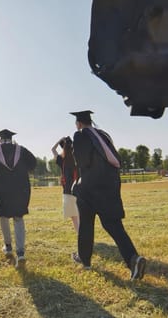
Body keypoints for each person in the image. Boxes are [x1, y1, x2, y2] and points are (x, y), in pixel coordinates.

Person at [70, 110, 146, 280]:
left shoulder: (80, 135)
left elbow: (82, 161)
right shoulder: (104, 136)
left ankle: (85, 260)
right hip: (110, 186)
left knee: (86, 225)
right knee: (114, 225)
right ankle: (133, 259)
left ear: (79, 123)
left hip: (89, 188)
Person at [0, 129, 36, 268]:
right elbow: (33, 164)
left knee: (3, 215)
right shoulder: (21, 150)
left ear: (0, 140)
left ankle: (8, 247)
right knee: (18, 217)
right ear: (11, 139)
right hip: (20, 188)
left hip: (2, 188)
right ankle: (21, 253)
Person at [51, 136, 79, 232]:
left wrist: (60, 140)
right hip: (80, 189)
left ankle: (80, 233)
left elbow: (53, 149)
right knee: (80, 213)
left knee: (74, 216)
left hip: (68, 191)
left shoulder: (61, 160)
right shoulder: (78, 159)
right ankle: (83, 233)